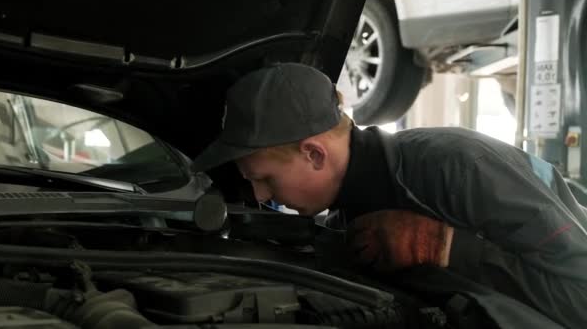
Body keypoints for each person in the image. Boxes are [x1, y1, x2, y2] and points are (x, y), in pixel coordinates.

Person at [192, 62, 587, 328]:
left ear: (314, 153)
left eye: (265, 179)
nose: (260, 196)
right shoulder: (347, 215)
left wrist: (445, 249)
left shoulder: (458, 167)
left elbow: (580, 299)